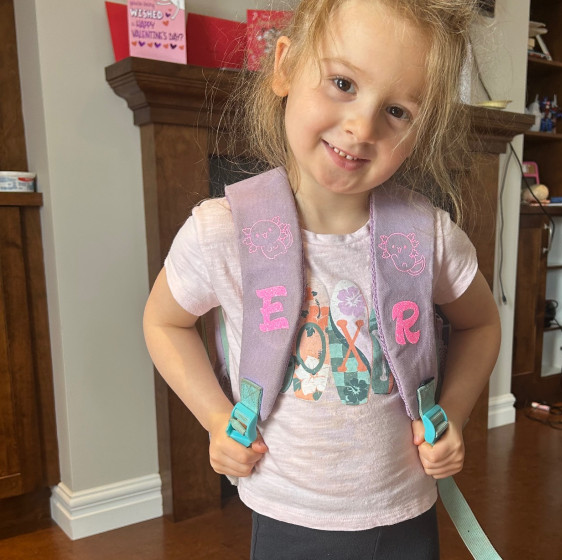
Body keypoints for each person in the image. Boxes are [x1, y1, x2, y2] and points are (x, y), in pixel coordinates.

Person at [143, 1, 501, 558]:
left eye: (398, 111)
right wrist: (216, 419)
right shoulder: (224, 231)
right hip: (287, 513)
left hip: (405, 510)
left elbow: (481, 324)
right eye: (342, 83)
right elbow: (164, 322)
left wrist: (452, 413)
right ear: (285, 66)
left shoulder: (427, 236)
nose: (361, 127)